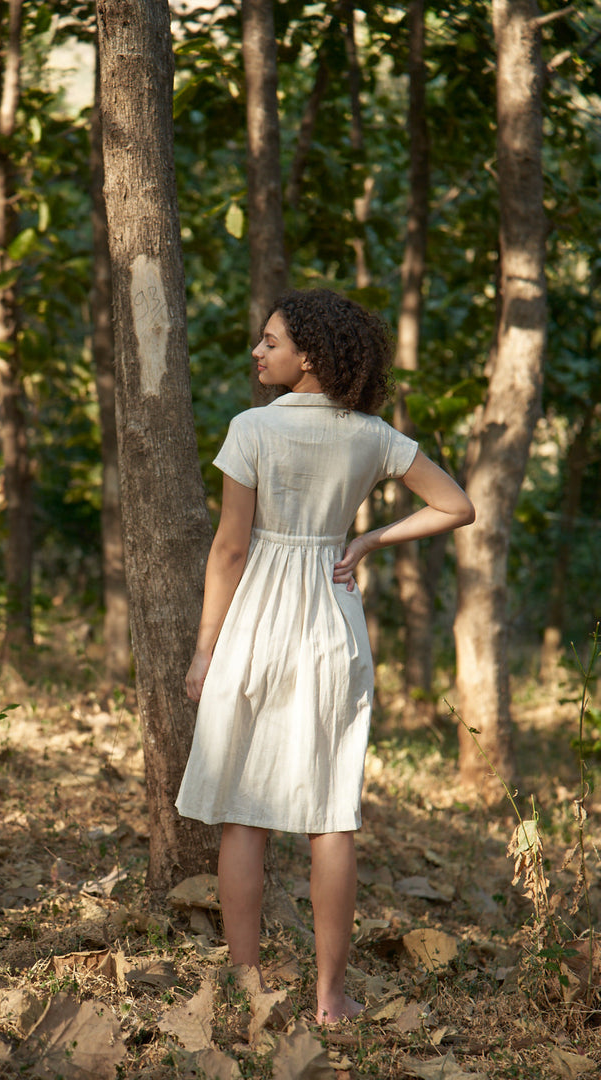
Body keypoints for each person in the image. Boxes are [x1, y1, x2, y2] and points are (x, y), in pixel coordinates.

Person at [176, 289, 475, 1024]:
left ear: (307, 356)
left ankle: (246, 991)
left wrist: (203, 651)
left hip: (254, 621)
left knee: (243, 814)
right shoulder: (373, 436)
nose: (257, 352)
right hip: (330, 620)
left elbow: (231, 548)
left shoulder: (251, 429)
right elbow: (457, 505)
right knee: (330, 814)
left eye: (269, 341)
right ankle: (330, 998)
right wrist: (370, 538)